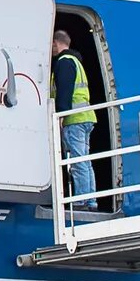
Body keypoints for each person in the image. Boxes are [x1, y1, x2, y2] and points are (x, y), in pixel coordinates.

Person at [50, 28, 99, 207]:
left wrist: (61, 115)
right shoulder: (76, 62)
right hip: (85, 117)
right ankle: (91, 199)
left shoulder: (64, 62)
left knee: (77, 161)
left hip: (74, 120)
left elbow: (65, 91)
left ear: (56, 43)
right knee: (84, 160)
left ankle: (81, 200)